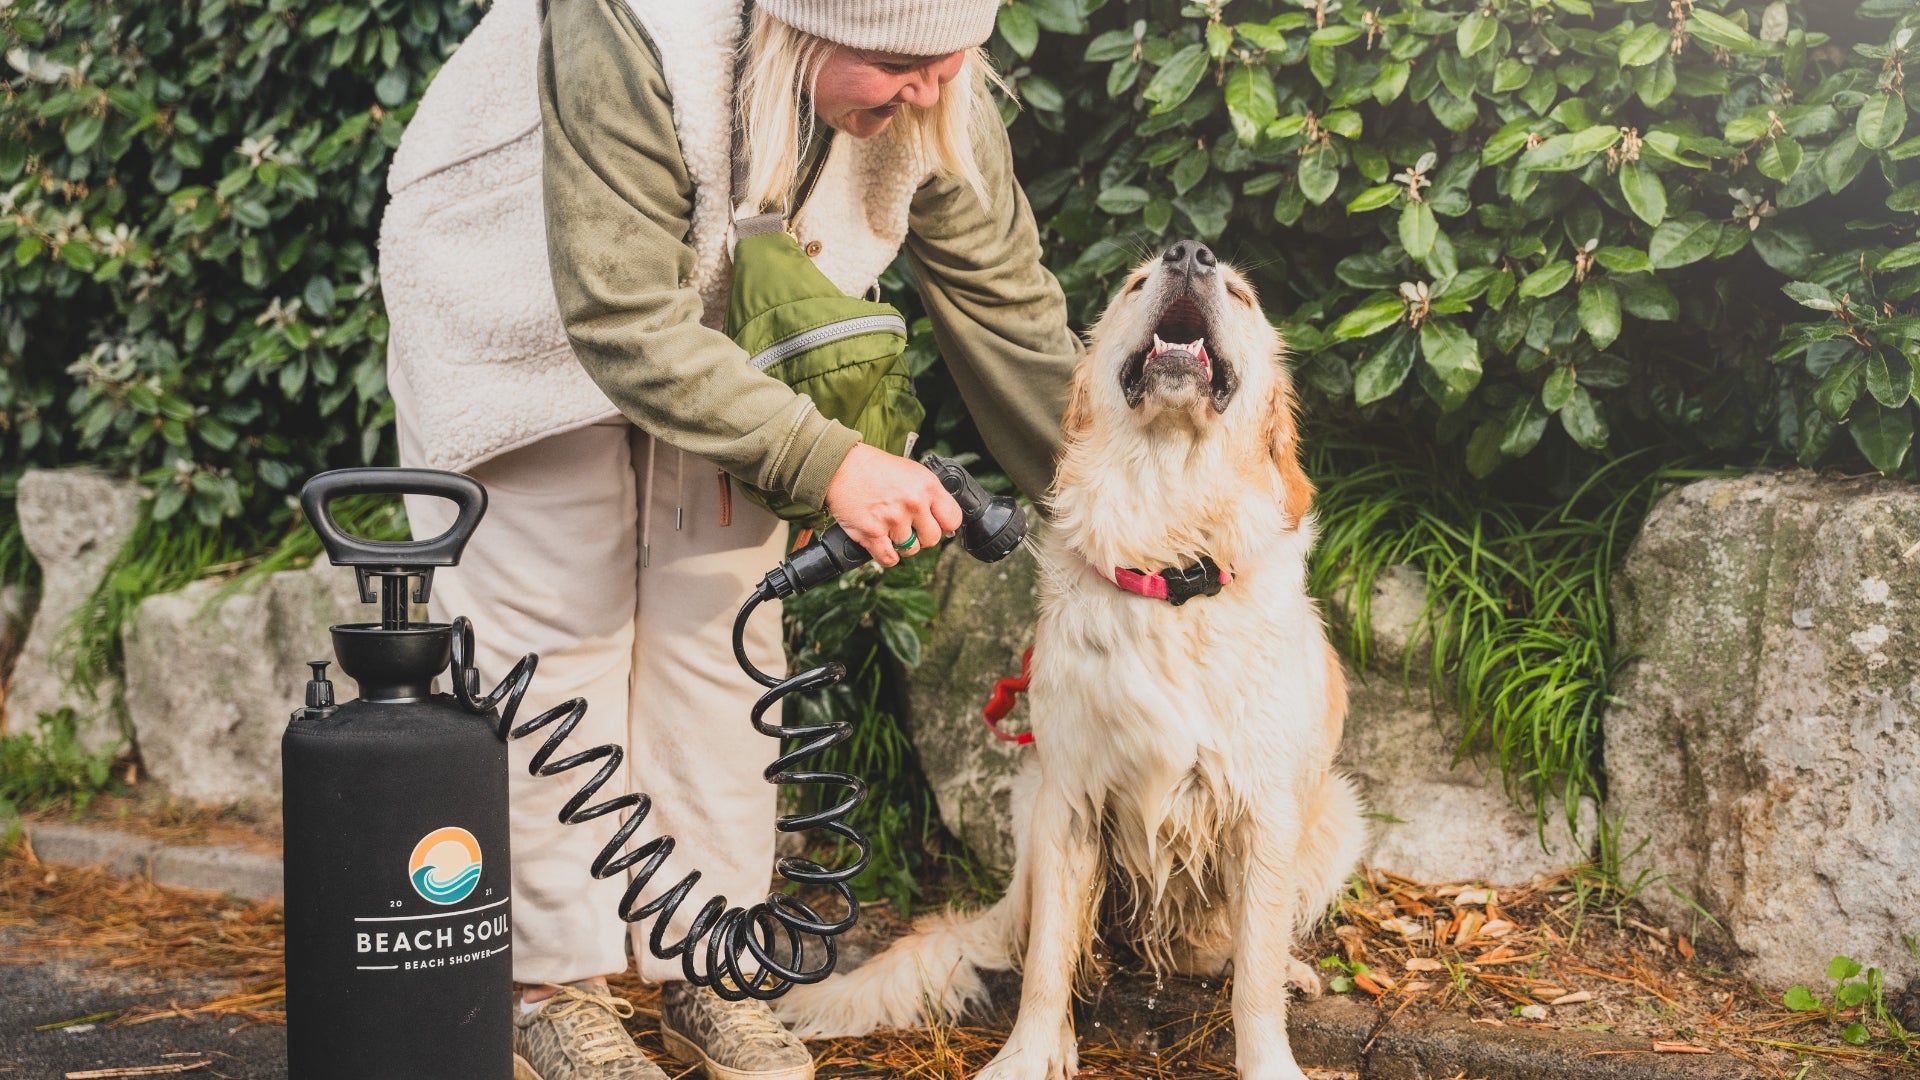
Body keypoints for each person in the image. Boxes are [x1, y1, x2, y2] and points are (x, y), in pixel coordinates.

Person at [377, 0, 1079, 1077]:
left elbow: (1007, 308)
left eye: (949, 63)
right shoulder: (632, 25)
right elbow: (619, 317)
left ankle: (707, 963)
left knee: (717, 636)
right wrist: (834, 462)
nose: (931, 93)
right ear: (802, 26)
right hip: (514, 308)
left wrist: (1113, 508)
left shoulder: (931, 76)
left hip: (714, 324)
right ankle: (546, 991)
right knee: (557, 636)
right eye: (898, 65)